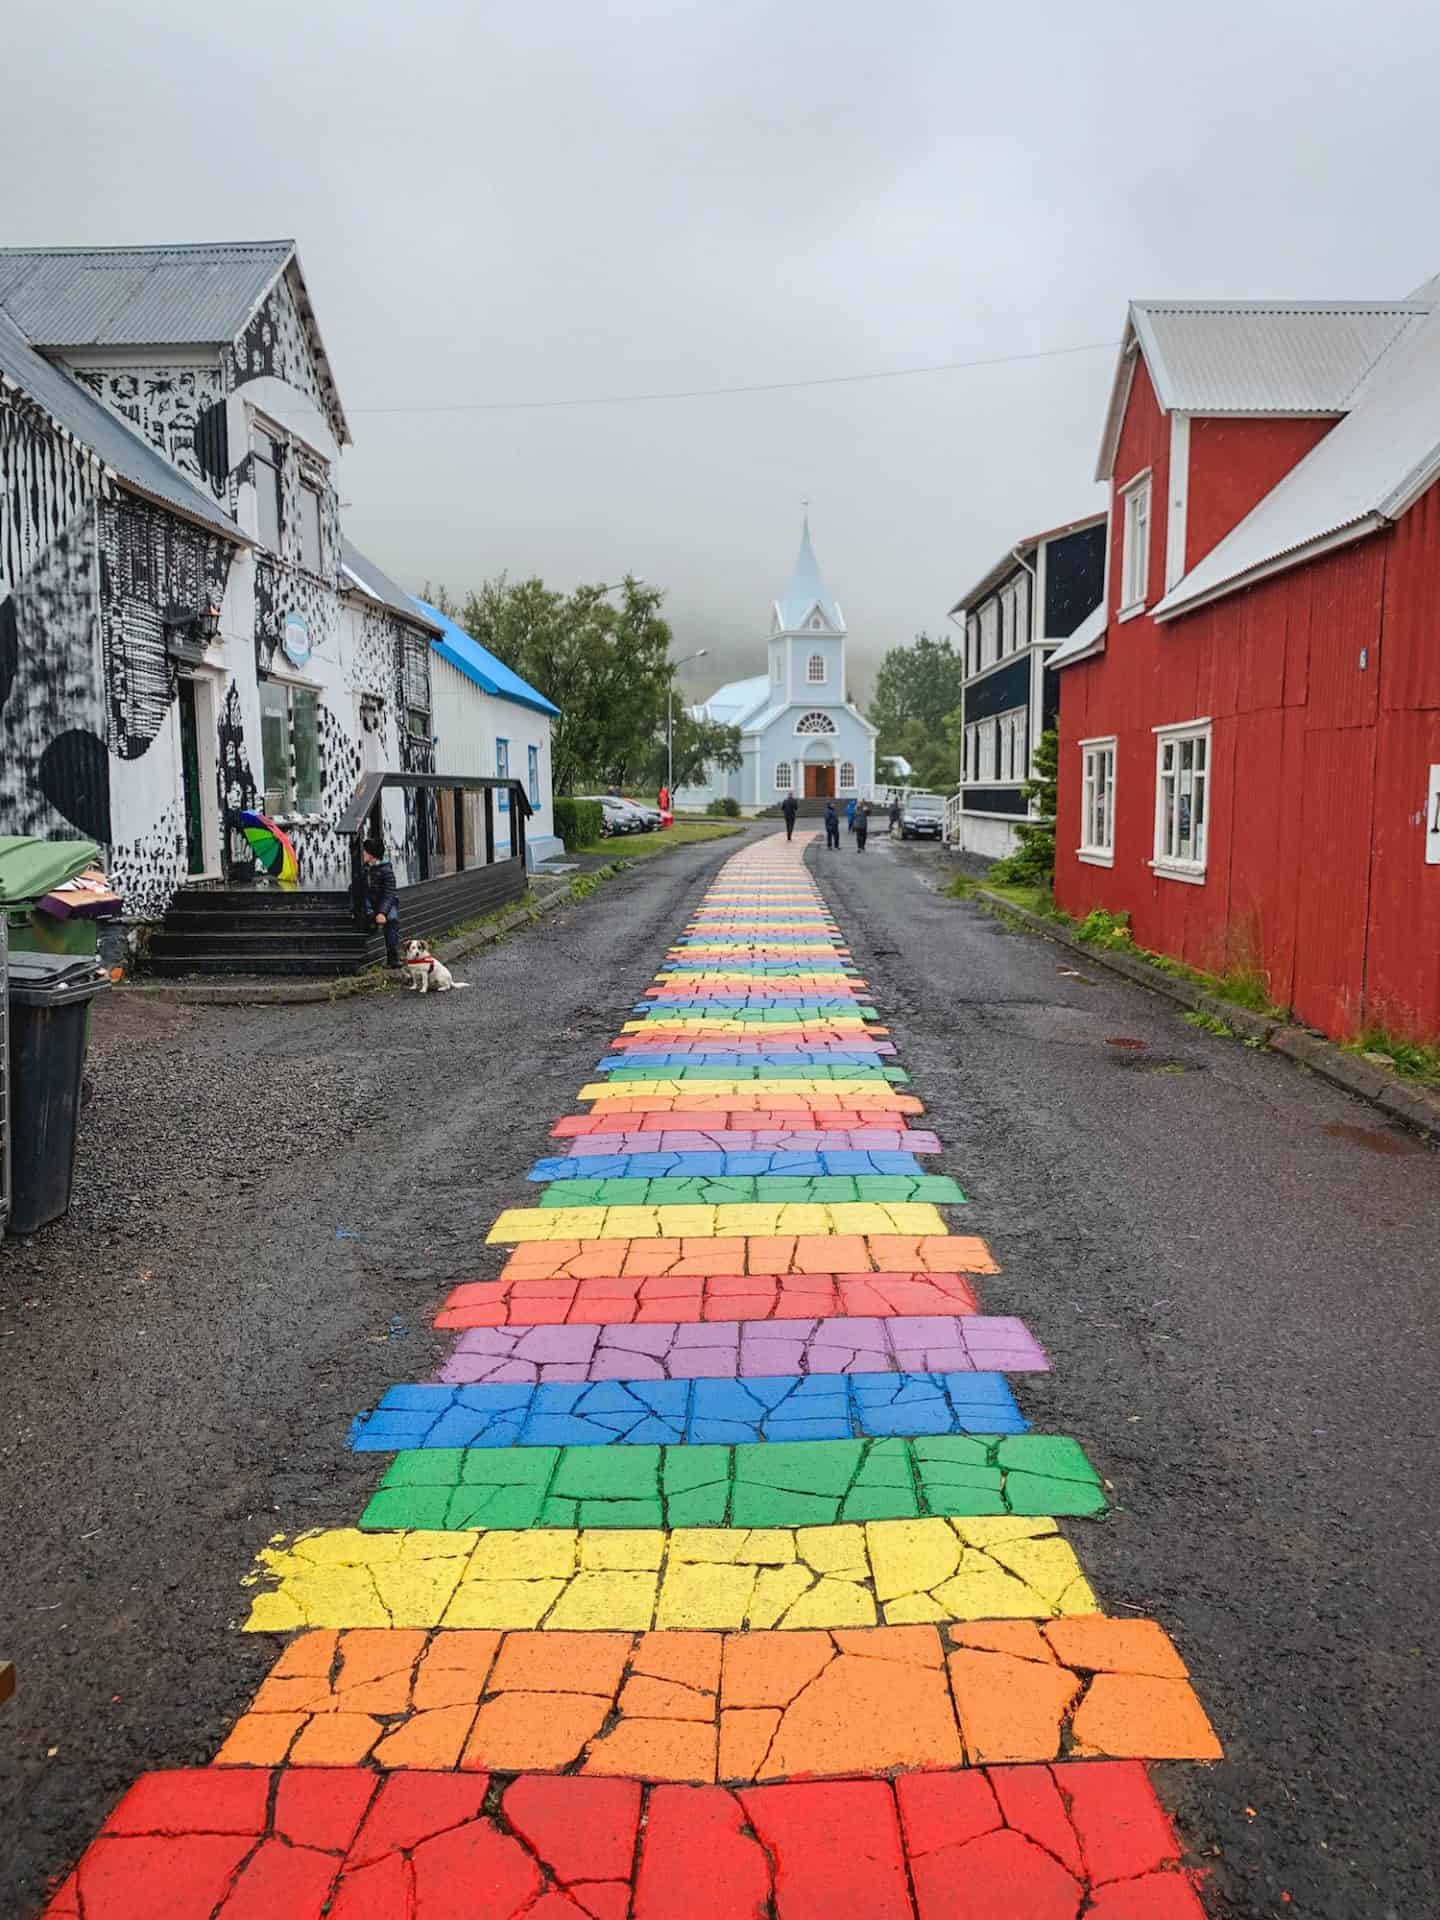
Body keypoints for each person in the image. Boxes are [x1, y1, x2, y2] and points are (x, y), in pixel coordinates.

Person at [361, 837, 401, 966]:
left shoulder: (386, 870)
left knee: (392, 920)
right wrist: (371, 912)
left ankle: (392, 955)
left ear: (371, 854)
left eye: (365, 851)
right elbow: (362, 892)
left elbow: (389, 893)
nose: (363, 854)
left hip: (386, 904)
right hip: (370, 904)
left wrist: (382, 912)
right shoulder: (364, 870)